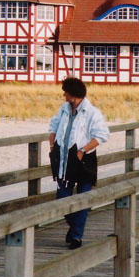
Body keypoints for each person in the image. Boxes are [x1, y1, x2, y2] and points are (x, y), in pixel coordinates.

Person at [48, 77, 109, 249]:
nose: (63, 95)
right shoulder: (64, 109)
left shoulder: (92, 112)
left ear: (72, 94)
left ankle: (76, 236)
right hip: (64, 159)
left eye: (65, 92)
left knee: (83, 198)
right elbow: (53, 125)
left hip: (84, 159)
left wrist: (83, 150)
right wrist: (52, 144)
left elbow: (102, 135)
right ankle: (75, 226)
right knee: (62, 197)